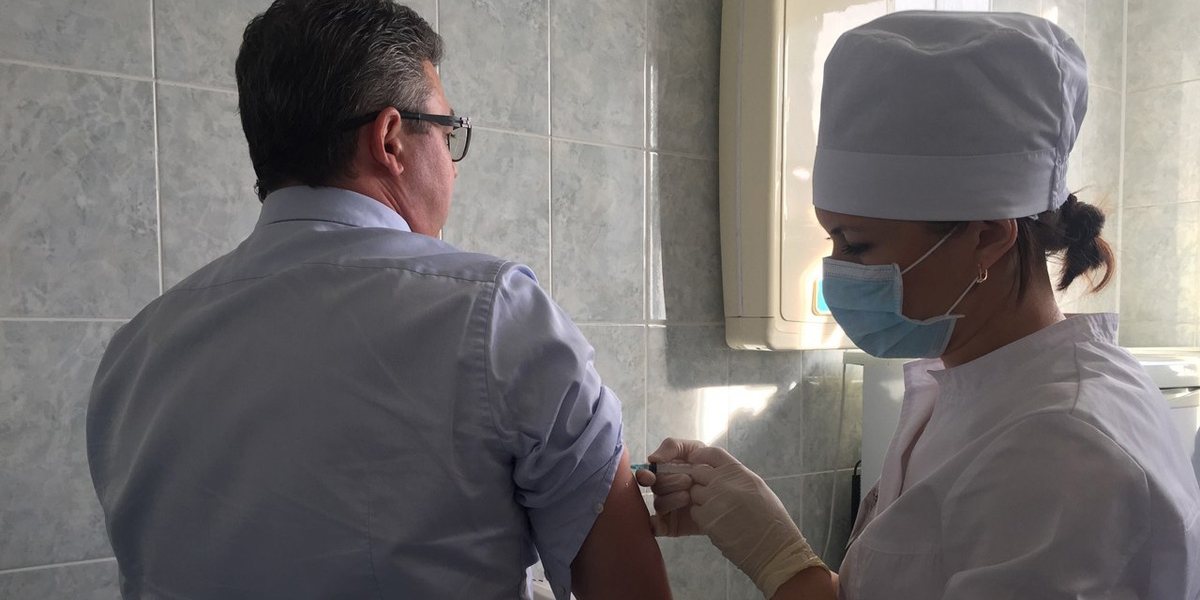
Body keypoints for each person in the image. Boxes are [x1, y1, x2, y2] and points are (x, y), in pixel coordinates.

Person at [85, 2, 671, 599]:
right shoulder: (496, 316)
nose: (454, 169)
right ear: (390, 138)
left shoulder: (135, 353)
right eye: (448, 134)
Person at [639, 11, 1200, 600]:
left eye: (858, 245)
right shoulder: (974, 385)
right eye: (833, 239)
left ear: (987, 236)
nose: (838, 269)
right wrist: (754, 519)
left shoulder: (1064, 450)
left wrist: (779, 560)